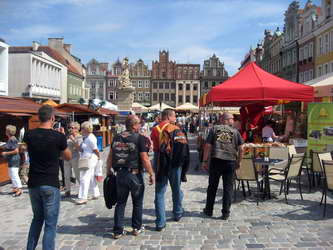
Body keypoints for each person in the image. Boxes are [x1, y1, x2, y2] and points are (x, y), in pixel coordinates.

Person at [24, 105, 72, 250]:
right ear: (52, 118)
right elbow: (68, 156)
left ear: (39, 118)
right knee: (50, 224)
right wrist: (59, 145)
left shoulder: (29, 134)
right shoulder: (58, 137)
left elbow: (25, 149)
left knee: (37, 219)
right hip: (50, 182)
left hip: (33, 183)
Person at [106, 115, 155, 239]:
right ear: (134, 125)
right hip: (134, 175)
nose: (141, 125)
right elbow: (144, 158)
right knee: (137, 202)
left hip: (120, 174)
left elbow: (110, 156)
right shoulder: (139, 138)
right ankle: (136, 228)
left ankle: (118, 231)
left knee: (121, 203)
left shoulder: (116, 137)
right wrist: (151, 173)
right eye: (139, 123)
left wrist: (108, 170)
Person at [151, 108, 189, 231]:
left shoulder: (155, 129)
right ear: (169, 117)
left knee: (159, 192)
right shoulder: (175, 129)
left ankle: (160, 222)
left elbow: (154, 144)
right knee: (176, 188)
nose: (175, 118)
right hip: (174, 162)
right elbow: (183, 148)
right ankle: (177, 212)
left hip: (159, 160)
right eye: (174, 116)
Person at [202, 112, 244, 220]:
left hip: (216, 160)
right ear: (226, 120)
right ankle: (225, 213)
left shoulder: (214, 129)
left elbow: (207, 146)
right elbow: (242, 148)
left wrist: (205, 161)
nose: (233, 121)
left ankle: (209, 210)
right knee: (228, 188)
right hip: (230, 161)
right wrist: (239, 162)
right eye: (232, 119)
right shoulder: (235, 132)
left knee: (212, 187)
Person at [76, 121, 100, 205]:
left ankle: (83, 197)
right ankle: (95, 193)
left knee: (84, 177)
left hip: (90, 159)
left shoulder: (90, 138)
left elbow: (96, 150)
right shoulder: (86, 137)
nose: (80, 130)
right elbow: (82, 149)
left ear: (85, 129)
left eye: (82, 128)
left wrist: (98, 158)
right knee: (91, 176)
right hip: (87, 158)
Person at [0, 125, 22, 197]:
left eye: (6, 130)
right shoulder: (11, 139)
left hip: (14, 159)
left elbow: (16, 151)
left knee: (14, 175)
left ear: (8, 132)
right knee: (11, 174)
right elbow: (9, 146)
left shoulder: (13, 139)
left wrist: (5, 153)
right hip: (11, 159)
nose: (5, 131)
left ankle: (19, 189)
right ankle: (15, 188)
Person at [63, 122, 83, 197]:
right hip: (66, 158)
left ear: (77, 129)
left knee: (78, 175)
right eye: (69, 127)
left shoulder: (80, 137)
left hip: (75, 157)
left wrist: (73, 139)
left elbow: (80, 149)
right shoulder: (67, 136)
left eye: (72, 127)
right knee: (66, 175)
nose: (70, 129)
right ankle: (67, 190)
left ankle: (82, 191)